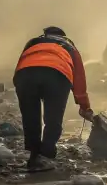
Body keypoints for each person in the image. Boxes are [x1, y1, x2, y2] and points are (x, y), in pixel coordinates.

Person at [13, 26, 92, 172]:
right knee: (53, 117)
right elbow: (79, 78)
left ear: (45, 34)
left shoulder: (33, 42)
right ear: (64, 36)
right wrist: (84, 106)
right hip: (57, 74)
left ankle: (34, 156)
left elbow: (21, 62)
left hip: (25, 75)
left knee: (30, 116)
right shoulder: (69, 47)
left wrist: (20, 85)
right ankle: (47, 154)